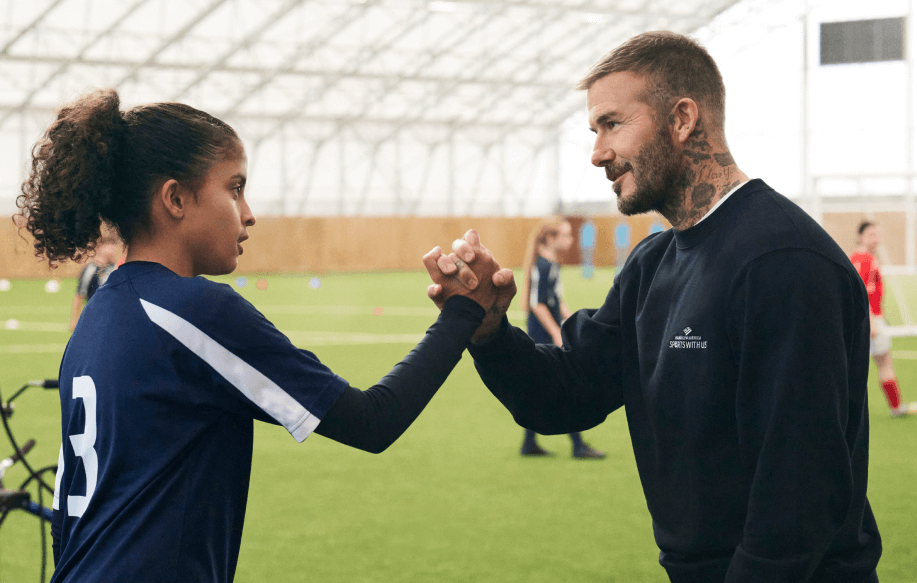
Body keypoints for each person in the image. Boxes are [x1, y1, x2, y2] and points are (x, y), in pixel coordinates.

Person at [424, 31, 881, 582]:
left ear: (683, 118)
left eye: (612, 124)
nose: (597, 153)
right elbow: (565, 397)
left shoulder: (783, 262)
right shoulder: (651, 264)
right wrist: (491, 332)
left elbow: (798, 495)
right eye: (594, 131)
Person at [16, 88, 501, 583]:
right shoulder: (194, 310)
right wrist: (464, 310)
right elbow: (372, 421)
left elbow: (68, 513)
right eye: (235, 188)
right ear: (176, 198)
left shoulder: (96, 318)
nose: (249, 213)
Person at [519, 217, 605, 458]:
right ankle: (578, 446)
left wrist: (575, 322)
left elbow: (557, 302)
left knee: (540, 392)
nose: (571, 240)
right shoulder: (543, 265)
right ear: (550, 238)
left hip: (549, 336)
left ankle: (529, 444)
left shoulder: (552, 263)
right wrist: (557, 333)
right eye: (565, 235)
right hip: (542, 338)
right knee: (567, 388)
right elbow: (537, 305)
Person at [850, 220, 917, 417]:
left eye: (877, 234)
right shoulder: (865, 259)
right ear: (860, 236)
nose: (876, 239)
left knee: (864, 364)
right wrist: (871, 319)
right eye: (871, 235)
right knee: (884, 363)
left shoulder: (858, 258)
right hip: (871, 320)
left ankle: (894, 406)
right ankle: (896, 407)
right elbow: (861, 290)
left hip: (868, 319)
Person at [69, 232, 122, 332]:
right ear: (100, 248)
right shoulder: (90, 269)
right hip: (94, 316)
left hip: (112, 317)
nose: (113, 251)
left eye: (114, 248)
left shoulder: (115, 269)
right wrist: (75, 319)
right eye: (109, 247)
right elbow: (80, 295)